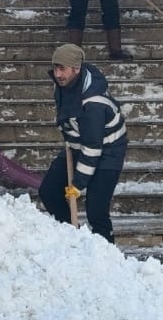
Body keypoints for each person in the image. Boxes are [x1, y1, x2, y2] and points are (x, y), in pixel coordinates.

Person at [38, 44, 128, 241]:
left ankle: (107, 253)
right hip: (78, 143)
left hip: (108, 150)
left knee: (96, 209)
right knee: (49, 191)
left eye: (62, 69)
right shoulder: (63, 84)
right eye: (56, 68)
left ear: (76, 69)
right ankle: (73, 237)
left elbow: (93, 149)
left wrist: (78, 185)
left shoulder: (93, 104)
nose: (57, 74)